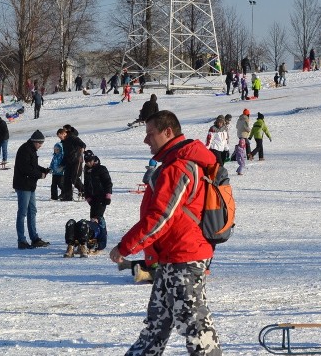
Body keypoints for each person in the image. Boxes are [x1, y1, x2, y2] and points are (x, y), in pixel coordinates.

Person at [109, 110, 222, 356]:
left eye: (151, 134)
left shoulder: (179, 167)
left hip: (185, 258)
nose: (146, 140)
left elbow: (160, 217)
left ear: (168, 132)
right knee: (157, 323)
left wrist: (126, 247)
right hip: (170, 258)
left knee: (194, 324)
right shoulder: (174, 164)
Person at [13, 130, 50, 250]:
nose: (40, 146)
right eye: (40, 143)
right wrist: (40, 175)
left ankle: (34, 238)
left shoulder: (31, 150)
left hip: (30, 185)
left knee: (32, 211)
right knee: (23, 212)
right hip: (23, 185)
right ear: (35, 141)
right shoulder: (25, 150)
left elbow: (33, 166)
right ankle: (21, 240)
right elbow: (26, 169)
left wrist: (43, 169)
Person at [83, 150, 112, 238]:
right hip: (93, 197)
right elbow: (86, 184)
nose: (88, 163)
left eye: (90, 161)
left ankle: (102, 236)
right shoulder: (87, 170)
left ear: (93, 160)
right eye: (86, 161)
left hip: (102, 197)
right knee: (92, 218)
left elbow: (108, 182)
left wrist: (108, 195)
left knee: (98, 217)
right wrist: (87, 196)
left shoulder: (101, 169)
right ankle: (95, 235)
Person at [50, 129, 66, 200]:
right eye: (55, 149)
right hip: (55, 173)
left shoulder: (62, 156)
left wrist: (63, 168)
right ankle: (54, 197)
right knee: (53, 185)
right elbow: (52, 163)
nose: (56, 151)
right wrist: (50, 168)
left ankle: (65, 192)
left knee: (60, 184)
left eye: (57, 149)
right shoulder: (54, 156)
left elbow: (64, 163)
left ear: (60, 149)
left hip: (60, 173)